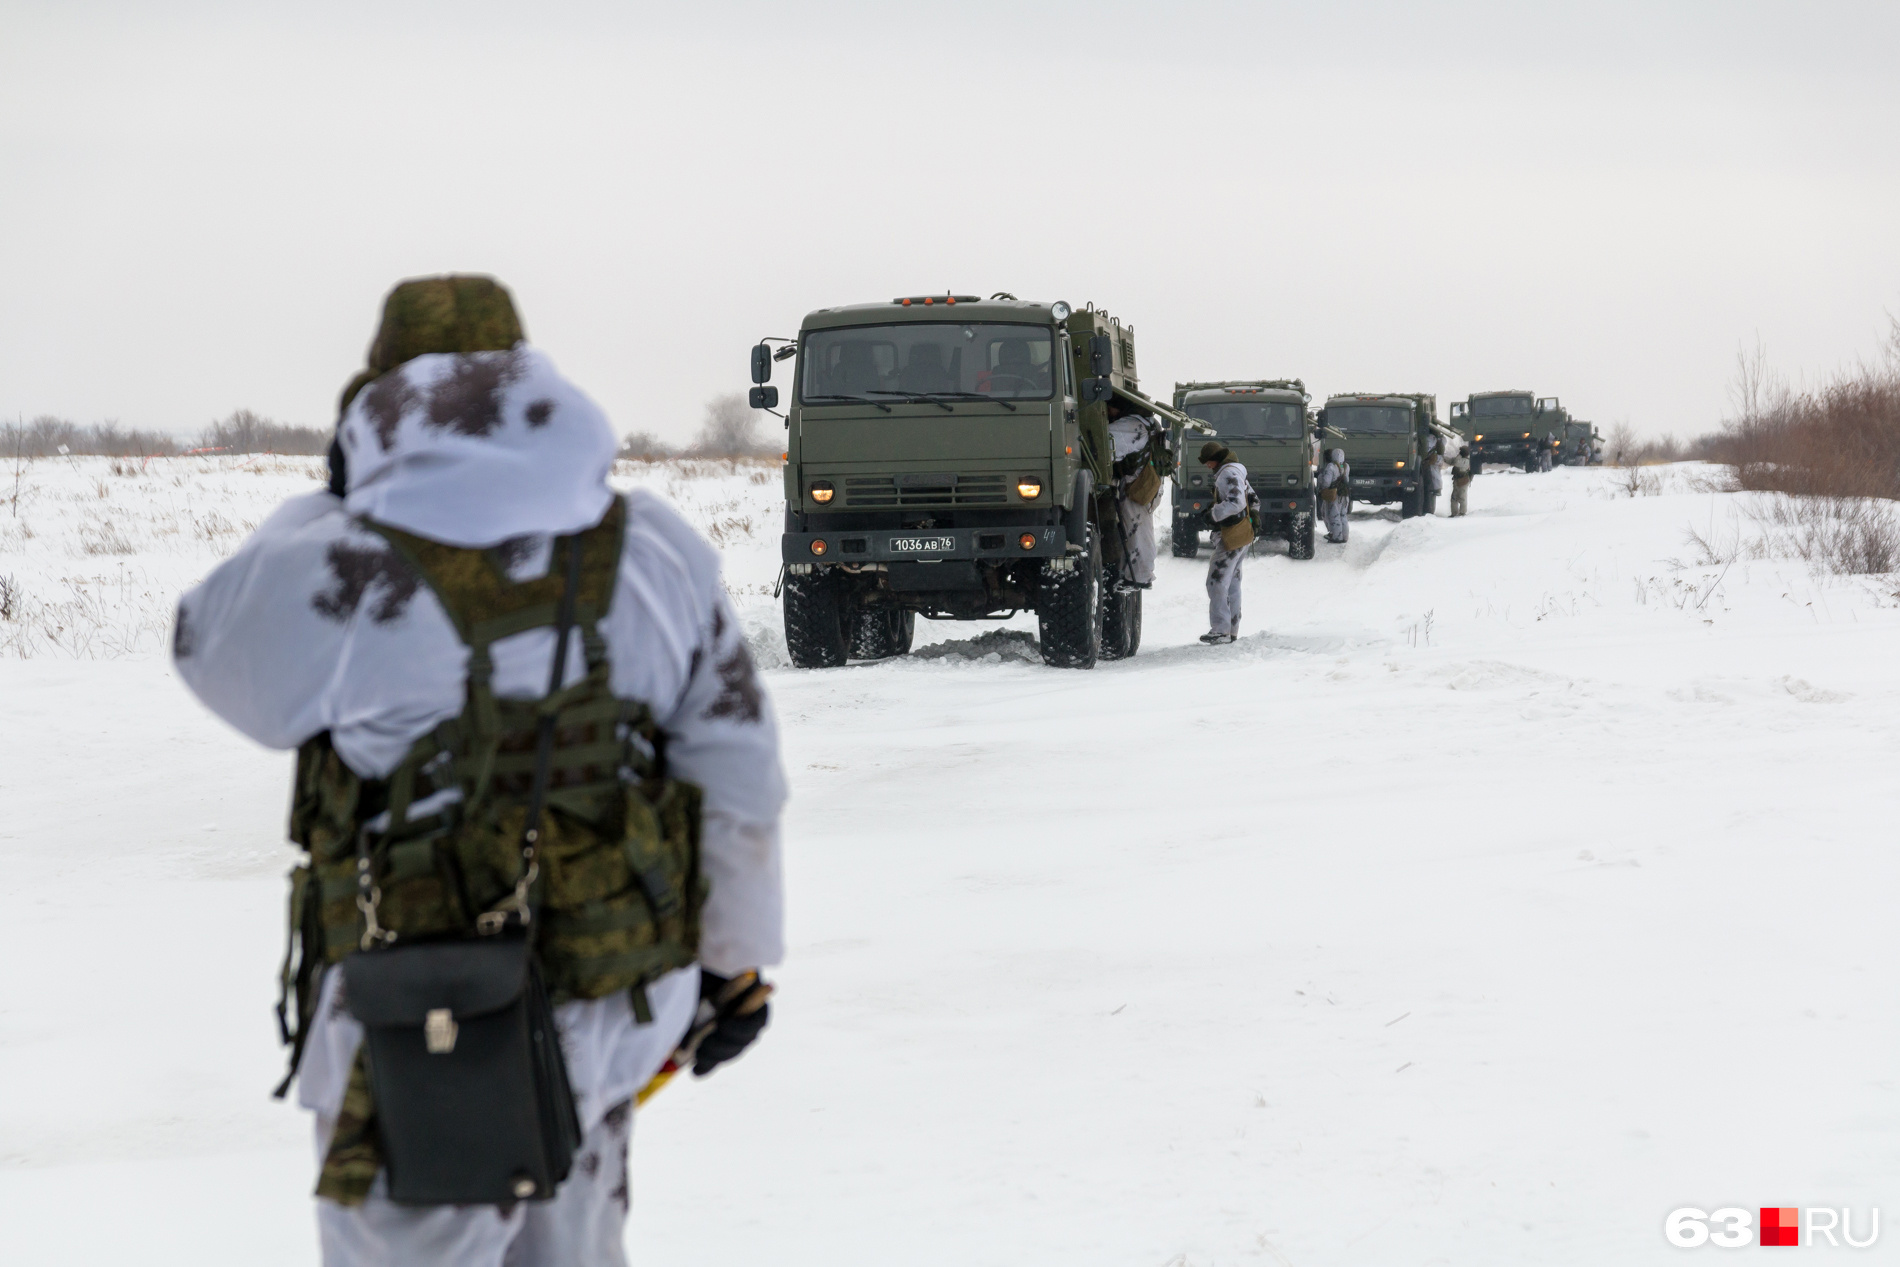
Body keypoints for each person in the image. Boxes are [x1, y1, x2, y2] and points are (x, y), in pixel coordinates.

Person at [172, 275, 786, 1267]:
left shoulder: (347, 566)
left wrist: (329, 496)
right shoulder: (654, 550)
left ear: (382, 396)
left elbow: (214, 657)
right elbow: (737, 761)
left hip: (423, 1010)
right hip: (617, 989)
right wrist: (736, 960)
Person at [1105, 397, 1165, 591]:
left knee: (1137, 531)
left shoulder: (1131, 425)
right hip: (1148, 482)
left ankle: (1140, 577)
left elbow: (1106, 446)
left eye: (1110, 408)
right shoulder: (1149, 422)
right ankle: (1136, 575)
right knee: (1138, 529)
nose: (1108, 412)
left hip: (1136, 485)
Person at [1198, 440, 1254, 644]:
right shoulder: (1238, 472)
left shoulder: (1227, 474)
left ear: (1215, 460)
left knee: (1216, 581)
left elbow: (1236, 502)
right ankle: (1231, 629)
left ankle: (1220, 630)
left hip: (1231, 535)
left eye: (1208, 462)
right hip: (1242, 534)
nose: (1207, 466)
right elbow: (1253, 500)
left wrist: (1213, 514)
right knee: (1232, 583)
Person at [1318, 447, 1351, 542]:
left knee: (1334, 515)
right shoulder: (1346, 466)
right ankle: (1345, 536)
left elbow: (1326, 483)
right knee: (1343, 515)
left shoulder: (1331, 467)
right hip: (1345, 494)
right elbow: (1347, 480)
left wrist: (1321, 480)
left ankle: (1336, 537)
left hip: (1334, 494)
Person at [1450, 438, 1472, 517]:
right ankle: (1454, 512)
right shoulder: (1465, 460)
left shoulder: (1465, 461)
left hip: (1463, 480)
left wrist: (1459, 455)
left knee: (1462, 497)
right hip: (1458, 480)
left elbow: (1455, 462)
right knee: (1454, 497)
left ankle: (1462, 512)